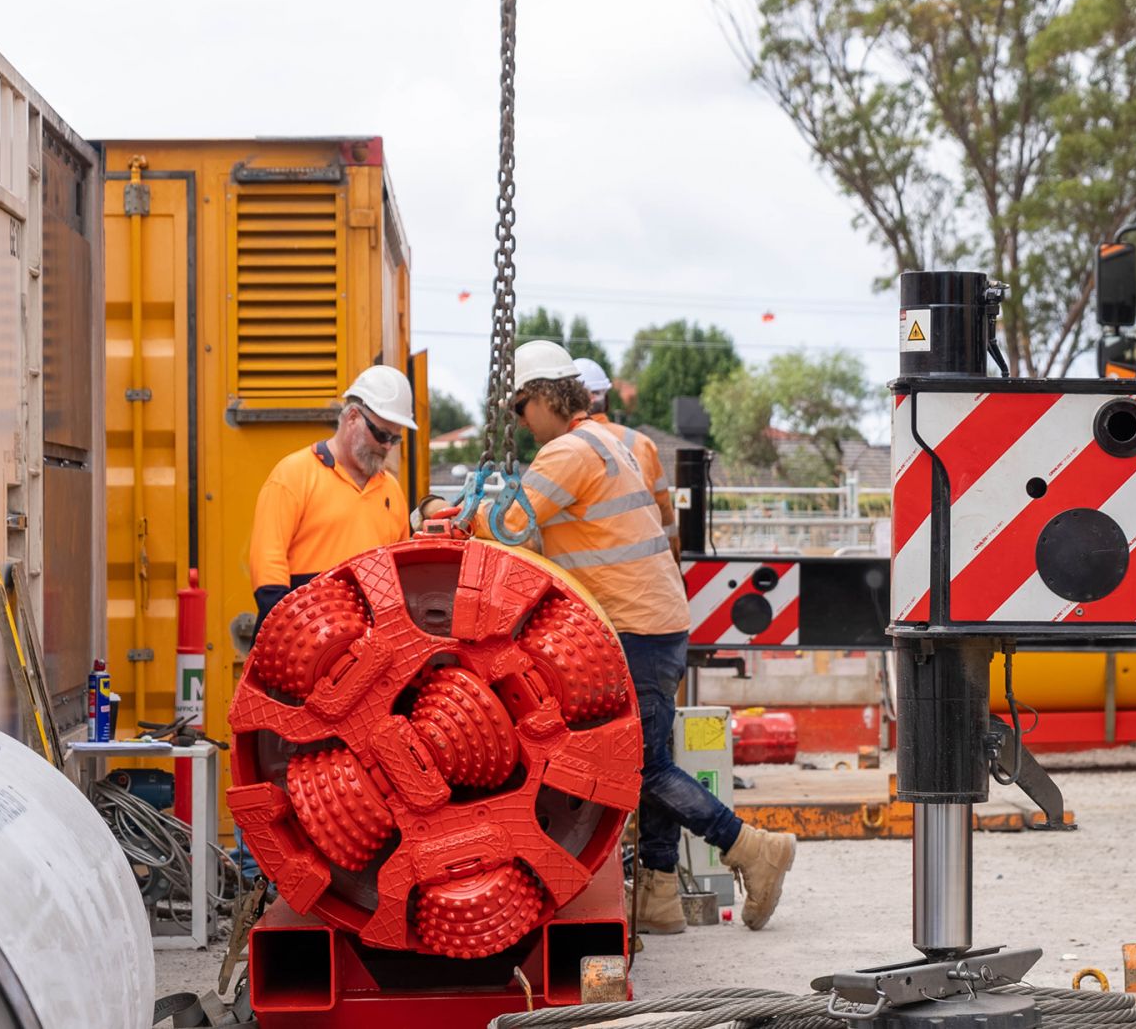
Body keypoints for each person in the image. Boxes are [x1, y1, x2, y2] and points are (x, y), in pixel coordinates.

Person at [420, 342, 795, 933]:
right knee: (656, 759)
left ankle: (751, 848)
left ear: (543, 397)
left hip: (637, 627)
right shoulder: (604, 441)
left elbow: (508, 531)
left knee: (642, 768)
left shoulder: (565, 453)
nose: (518, 422)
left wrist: (452, 513)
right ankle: (661, 897)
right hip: (657, 621)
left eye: (519, 408)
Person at [248, 364, 417, 636]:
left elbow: (399, 578)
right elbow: (268, 564)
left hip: (365, 646)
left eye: (395, 438)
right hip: (301, 638)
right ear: (352, 418)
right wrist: (290, 631)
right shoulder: (293, 474)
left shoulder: (392, 491)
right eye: (382, 435)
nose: (387, 446)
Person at [572, 357, 679, 561]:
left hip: (585, 573)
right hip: (645, 568)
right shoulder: (642, 443)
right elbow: (665, 514)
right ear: (607, 399)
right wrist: (674, 564)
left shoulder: (565, 446)